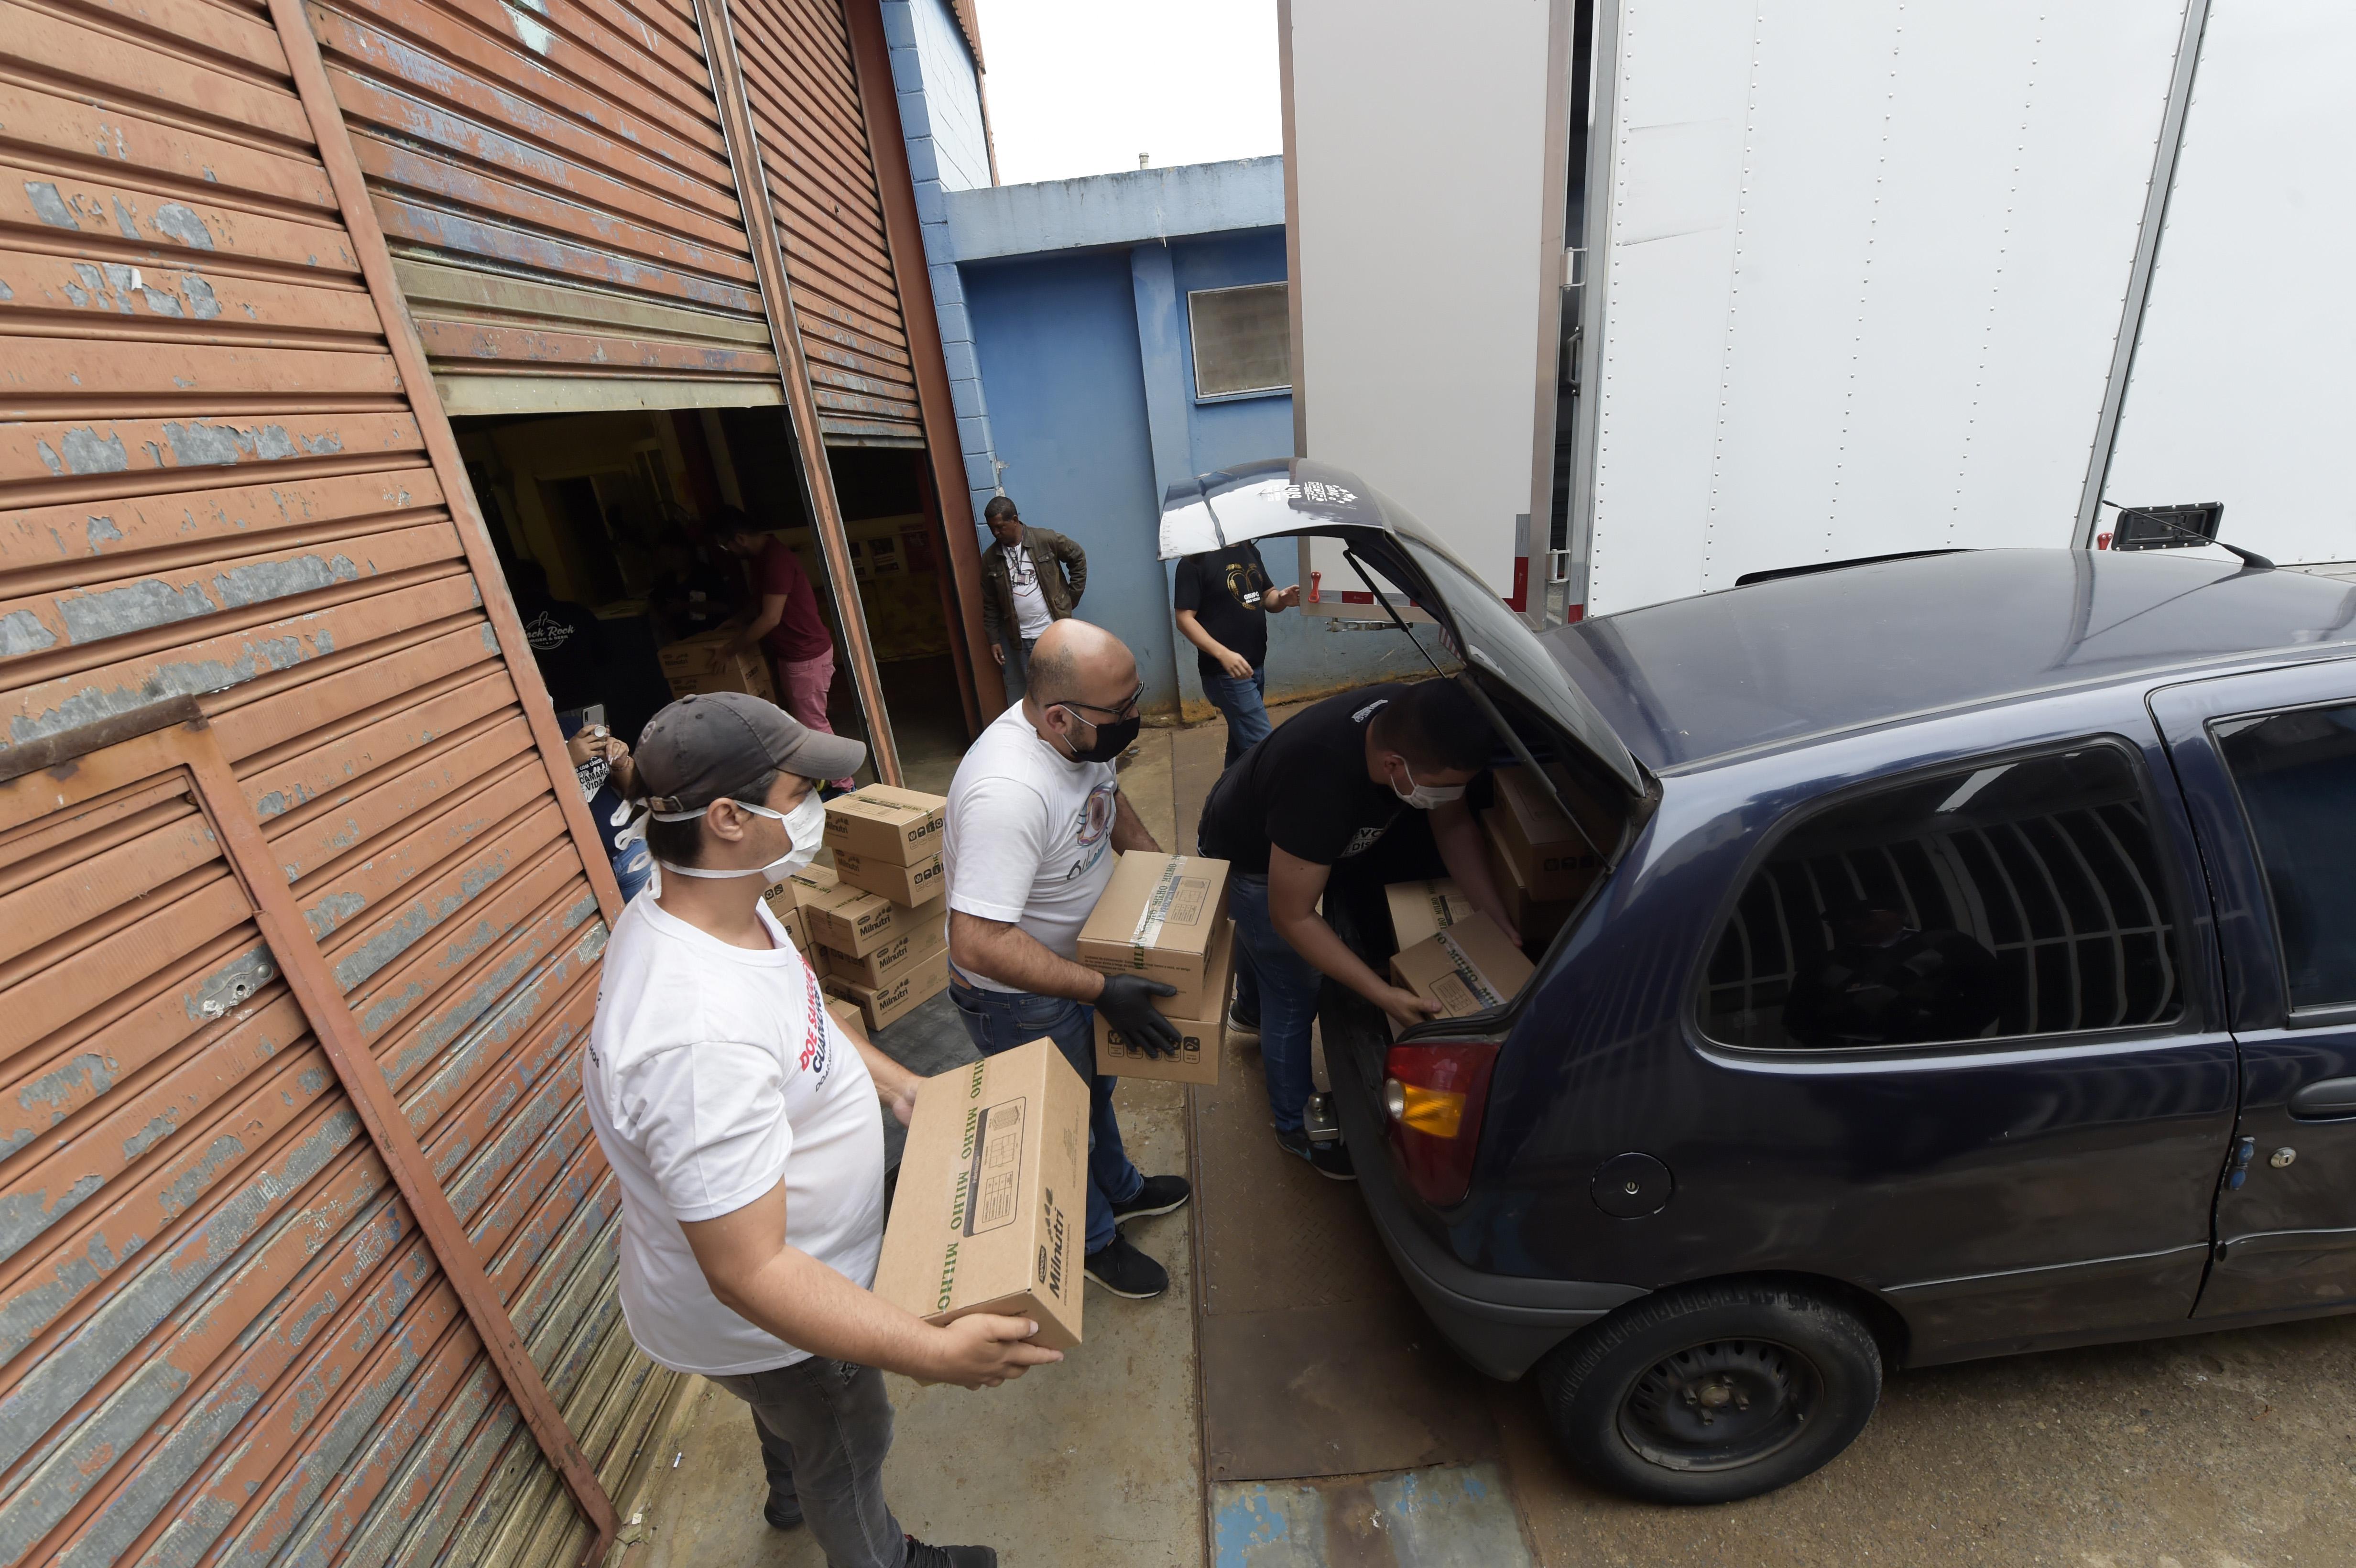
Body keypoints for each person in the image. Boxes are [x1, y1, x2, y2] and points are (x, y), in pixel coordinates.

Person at [584, 691, 1051, 1568]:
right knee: (848, 1446)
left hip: (773, 1305)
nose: (818, 809)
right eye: (799, 793)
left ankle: (788, 1481)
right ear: (728, 819)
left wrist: (899, 1086)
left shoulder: (719, 903)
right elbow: (751, 1273)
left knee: (798, 1425)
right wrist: (931, 1351)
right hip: (779, 1323)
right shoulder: (695, 1037)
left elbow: (807, 1019)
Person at [942, 619, 1191, 1300]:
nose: (1135, 718)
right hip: (1019, 1000)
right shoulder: (1007, 793)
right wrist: (1101, 990)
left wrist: (1163, 877)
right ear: (1058, 716)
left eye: (1135, 699)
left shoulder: (1081, 737)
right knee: (1058, 1128)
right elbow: (978, 941)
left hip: (1080, 971)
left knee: (1093, 1093)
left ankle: (1122, 1190)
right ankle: (1092, 1242)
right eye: (1123, 710)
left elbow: (1108, 801)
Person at [1196, 678, 1517, 1178]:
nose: (1450, 796)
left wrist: (1495, 919)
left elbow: (1453, 824)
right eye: (1444, 786)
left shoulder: (1416, 724)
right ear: (1394, 766)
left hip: (1276, 817)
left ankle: (1248, 1009)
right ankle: (1296, 1127)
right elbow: (1292, 916)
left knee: (1270, 961)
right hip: (1248, 858)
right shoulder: (1318, 784)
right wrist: (1384, 995)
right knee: (1294, 990)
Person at [711, 507, 852, 789]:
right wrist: (739, 620)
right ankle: (828, 782)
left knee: (814, 725)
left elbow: (770, 618)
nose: (729, 552)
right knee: (805, 723)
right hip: (794, 655)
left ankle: (844, 786)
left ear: (739, 538)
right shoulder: (762, 559)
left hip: (806, 656)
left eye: (726, 546)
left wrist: (728, 651)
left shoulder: (776, 561)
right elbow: (765, 605)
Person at [1784, 898, 2001, 1047]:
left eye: (1861, 914)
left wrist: (1950, 1035)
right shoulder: (1822, 965)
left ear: (1899, 913)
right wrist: (1845, 1050)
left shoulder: (1947, 943)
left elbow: (1994, 992)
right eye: (1836, 919)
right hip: (1860, 1068)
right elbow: (1798, 1021)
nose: (1848, 922)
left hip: (1944, 1056)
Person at [1173, 540, 1302, 766]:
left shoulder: (1249, 549)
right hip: (1226, 673)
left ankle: (1230, 789)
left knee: (1241, 748)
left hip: (1254, 665)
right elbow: (1184, 619)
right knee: (1263, 752)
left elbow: (1267, 596)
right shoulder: (1195, 561)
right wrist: (1223, 654)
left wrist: (1282, 599)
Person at [977, 496, 1086, 700]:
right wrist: (994, 639)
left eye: (1000, 527)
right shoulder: (991, 559)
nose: (996, 533)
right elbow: (990, 603)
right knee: (1039, 694)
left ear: (1015, 520)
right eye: (992, 529)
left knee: (1068, 686)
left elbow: (1077, 557)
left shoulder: (1045, 540)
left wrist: (1071, 598)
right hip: (1023, 640)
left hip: (1055, 631)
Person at [507, 557, 603, 715]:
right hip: (588, 705)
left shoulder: (507, 625)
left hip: (540, 714)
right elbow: (604, 657)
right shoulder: (577, 613)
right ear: (546, 585)